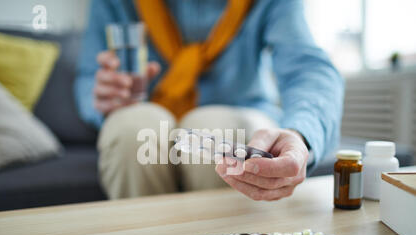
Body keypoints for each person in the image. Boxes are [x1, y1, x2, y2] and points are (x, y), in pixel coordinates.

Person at [74, 0, 344, 201]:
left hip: (243, 109)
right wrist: (102, 96)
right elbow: (88, 77)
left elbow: (308, 68)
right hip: (146, 108)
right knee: (133, 128)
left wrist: (300, 134)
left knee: (217, 132)